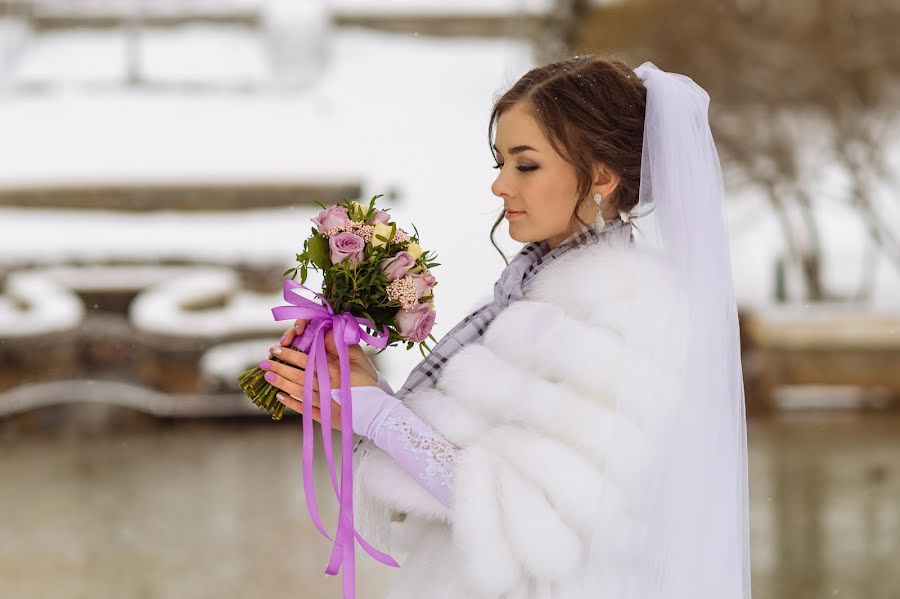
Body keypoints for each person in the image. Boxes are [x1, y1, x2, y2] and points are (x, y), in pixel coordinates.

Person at [260, 55, 752, 599]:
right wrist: (359, 396)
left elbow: (529, 520)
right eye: (499, 162)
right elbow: (459, 472)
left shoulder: (626, 314)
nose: (499, 186)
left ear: (604, 178)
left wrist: (376, 414)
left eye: (526, 165)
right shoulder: (528, 296)